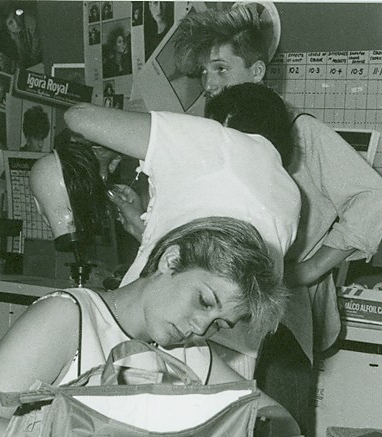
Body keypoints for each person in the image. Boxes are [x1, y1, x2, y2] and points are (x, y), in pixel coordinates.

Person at [174, 2, 382, 437]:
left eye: (220, 69)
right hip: (215, 319)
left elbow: (375, 198)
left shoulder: (301, 132)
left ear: (257, 72)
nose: (210, 84)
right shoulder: (218, 137)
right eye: (204, 73)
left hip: (279, 326)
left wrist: (310, 269)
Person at [0, 216, 290, 437]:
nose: (201, 327)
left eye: (218, 324)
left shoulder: (190, 354)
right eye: (203, 300)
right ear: (171, 261)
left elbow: (280, 420)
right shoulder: (70, 316)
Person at [63, 87, 300, 380]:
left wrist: (114, 147)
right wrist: (144, 228)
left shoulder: (219, 141)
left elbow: (80, 117)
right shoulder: (290, 194)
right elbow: (223, 258)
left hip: (170, 337)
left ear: (222, 120)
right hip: (229, 353)